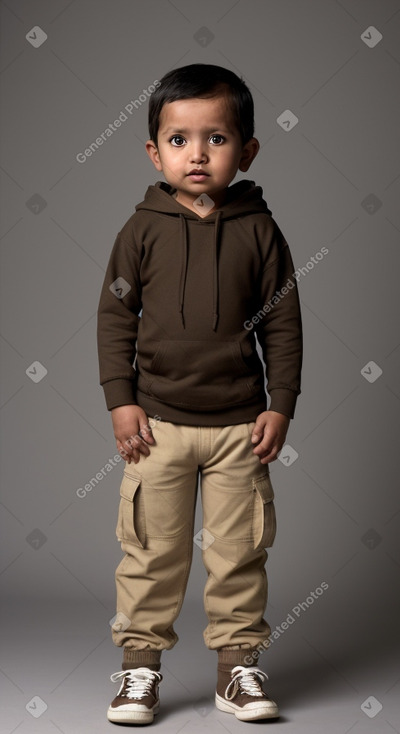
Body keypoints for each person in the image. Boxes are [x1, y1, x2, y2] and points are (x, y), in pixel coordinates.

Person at [97, 62, 303, 725]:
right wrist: (119, 399)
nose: (197, 154)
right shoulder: (141, 230)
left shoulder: (260, 231)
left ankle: (235, 670)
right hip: (154, 427)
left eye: (215, 139)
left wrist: (280, 403)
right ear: (155, 151)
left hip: (240, 429)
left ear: (245, 151)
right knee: (152, 554)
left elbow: (282, 323)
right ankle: (138, 671)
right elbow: (113, 318)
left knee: (239, 553)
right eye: (179, 139)